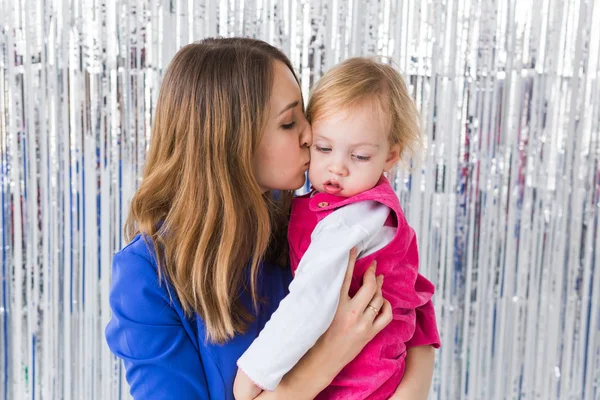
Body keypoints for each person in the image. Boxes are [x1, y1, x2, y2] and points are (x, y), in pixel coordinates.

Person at [105, 37, 436, 400]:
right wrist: (328, 355)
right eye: (289, 122)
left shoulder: (310, 213)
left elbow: (408, 293)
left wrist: (411, 390)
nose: (311, 135)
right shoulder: (145, 276)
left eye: (305, 117)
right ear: (233, 140)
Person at [234, 58, 440, 400]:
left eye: (359, 156)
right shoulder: (341, 205)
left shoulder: (353, 218)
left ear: (390, 156)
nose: (337, 168)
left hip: (358, 383)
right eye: (324, 148)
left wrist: (253, 373)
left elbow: (310, 300)